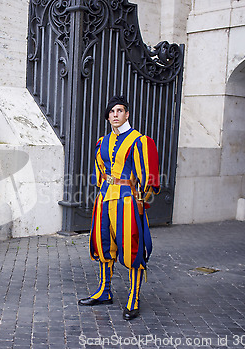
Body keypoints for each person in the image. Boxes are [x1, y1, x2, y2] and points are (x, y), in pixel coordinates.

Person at [78, 95, 160, 321]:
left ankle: (134, 297)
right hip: (104, 199)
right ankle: (104, 291)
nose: (115, 115)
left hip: (128, 200)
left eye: (119, 110)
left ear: (127, 114)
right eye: (111, 112)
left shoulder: (140, 141)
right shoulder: (102, 141)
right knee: (103, 245)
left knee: (132, 247)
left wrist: (142, 199)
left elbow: (150, 176)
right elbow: (100, 171)